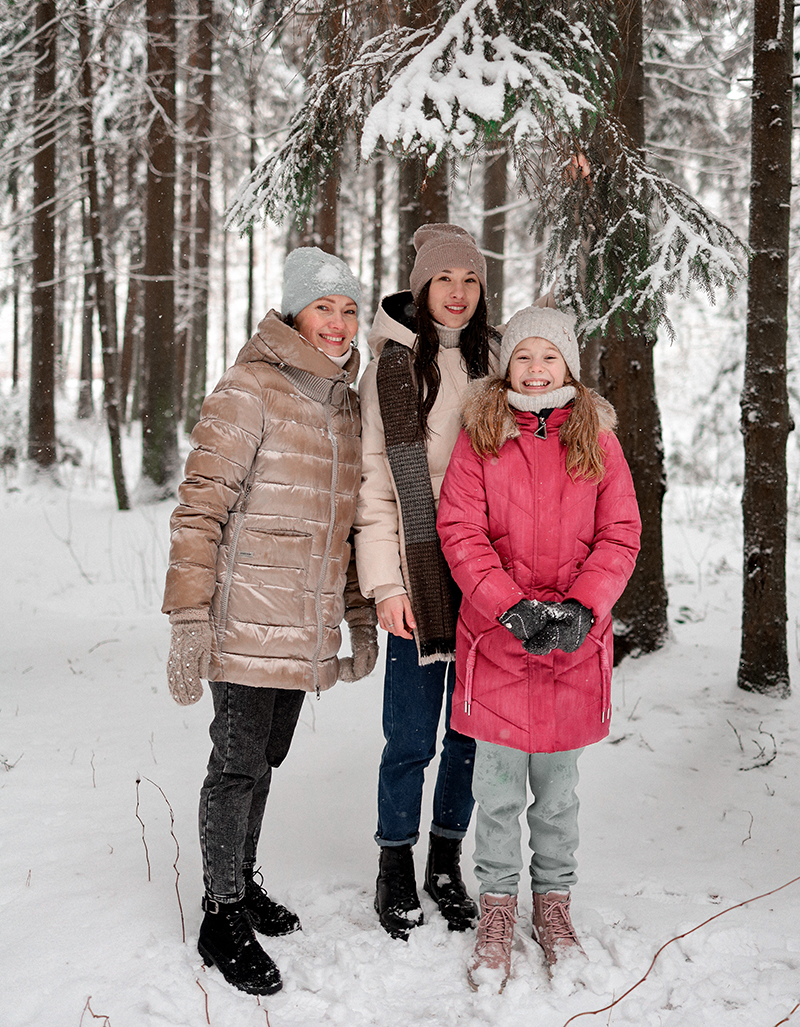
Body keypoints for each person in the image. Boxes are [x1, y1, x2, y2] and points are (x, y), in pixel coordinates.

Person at [162, 247, 378, 998]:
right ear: (295, 313)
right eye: (327, 308)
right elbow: (199, 509)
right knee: (236, 764)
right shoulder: (249, 388)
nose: (341, 323)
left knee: (266, 761)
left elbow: (346, 528)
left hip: (304, 625)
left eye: (351, 310)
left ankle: (241, 881)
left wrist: (359, 621)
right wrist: (189, 618)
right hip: (246, 620)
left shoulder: (346, 405)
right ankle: (219, 916)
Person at [436, 306, 641, 991]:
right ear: (505, 366)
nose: (534, 368)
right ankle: (497, 908)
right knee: (495, 794)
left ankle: (553, 907)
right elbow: (460, 530)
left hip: (572, 646)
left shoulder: (598, 439)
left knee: (556, 797)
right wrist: (509, 607)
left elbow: (621, 534)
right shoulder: (482, 434)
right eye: (522, 356)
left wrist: (583, 608)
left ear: (568, 366)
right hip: (498, 639)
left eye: (547, 357)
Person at [354, 223, 501, 939]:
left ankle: (447, 858)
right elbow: (375, 488)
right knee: (410, 735)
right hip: (417, 569)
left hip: (488, 572)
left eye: (470, 280)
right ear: (421, 287)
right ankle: (393, 863)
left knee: (470, 730)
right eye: (445, 279)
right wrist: (386, 585)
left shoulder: (499, 362)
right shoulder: (388, 367)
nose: (458, 293)